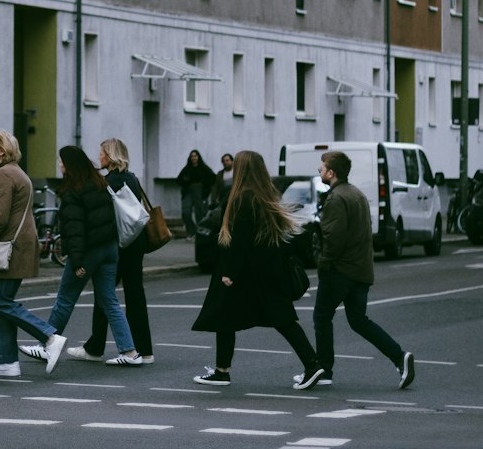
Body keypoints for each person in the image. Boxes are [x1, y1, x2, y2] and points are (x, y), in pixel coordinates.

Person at [191, 149, 323, 389]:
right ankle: (222, 371)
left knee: (273, 317)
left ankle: (312, 365)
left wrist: (229, 272)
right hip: (265, 270)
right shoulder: (264, 195)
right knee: (232, 316)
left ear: (242, 170)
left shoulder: (244, 198)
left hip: (251, 273)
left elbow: (239, 240)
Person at [306, 149, 415, 390]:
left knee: (322, 317)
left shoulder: (336, 199)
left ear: (331, 172)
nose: (319, 170)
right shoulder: (357, 194)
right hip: (360, 271)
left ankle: (324, 370)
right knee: (358, 321)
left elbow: (333, 239)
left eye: (322, 167)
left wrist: (324, 264)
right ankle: (399, 357)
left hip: (340, 271)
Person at [26, 145, 141, 366]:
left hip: (89, 252)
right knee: (109, 300)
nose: (59, 165)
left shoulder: (73, 190)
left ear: (70, 165)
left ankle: (46, 345)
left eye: (61, 161)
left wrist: (77, 261)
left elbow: (76, 230)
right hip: (109, 249)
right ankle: (129, 352)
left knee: (65, 299)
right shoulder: (99, 183)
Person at [0, 130, 66, 378]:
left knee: (3, 302)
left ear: (2, 151)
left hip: (9, 246)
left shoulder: (3, 174)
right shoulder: (16, 172)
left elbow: (1, 217)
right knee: (0, 303)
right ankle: (7, 361)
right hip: (20, 244)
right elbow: (9, 206)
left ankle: (49, 337)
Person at [67, 138, 154, 363]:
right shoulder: (132, 179)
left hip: (118, 243)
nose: (100, 157)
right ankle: (145, 350)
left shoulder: (107, 182)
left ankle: (95, 347)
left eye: (103, 153)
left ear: (111, 156)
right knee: (135, 294)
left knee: (104, 295)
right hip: (137, 242)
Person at [177, 149, 216, 236]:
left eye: (195, 156)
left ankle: (201, 233)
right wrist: (185, 180)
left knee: (201, 213)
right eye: (192, 156)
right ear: (190, 158)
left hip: (200, 191)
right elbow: (179, 180)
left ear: (198, 157)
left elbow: (213, 178)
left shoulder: (204, 168)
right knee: (185, 211)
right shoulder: (187, 168)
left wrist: (205, 185)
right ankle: (191, 231)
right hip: (188, 192)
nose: (193, 158)